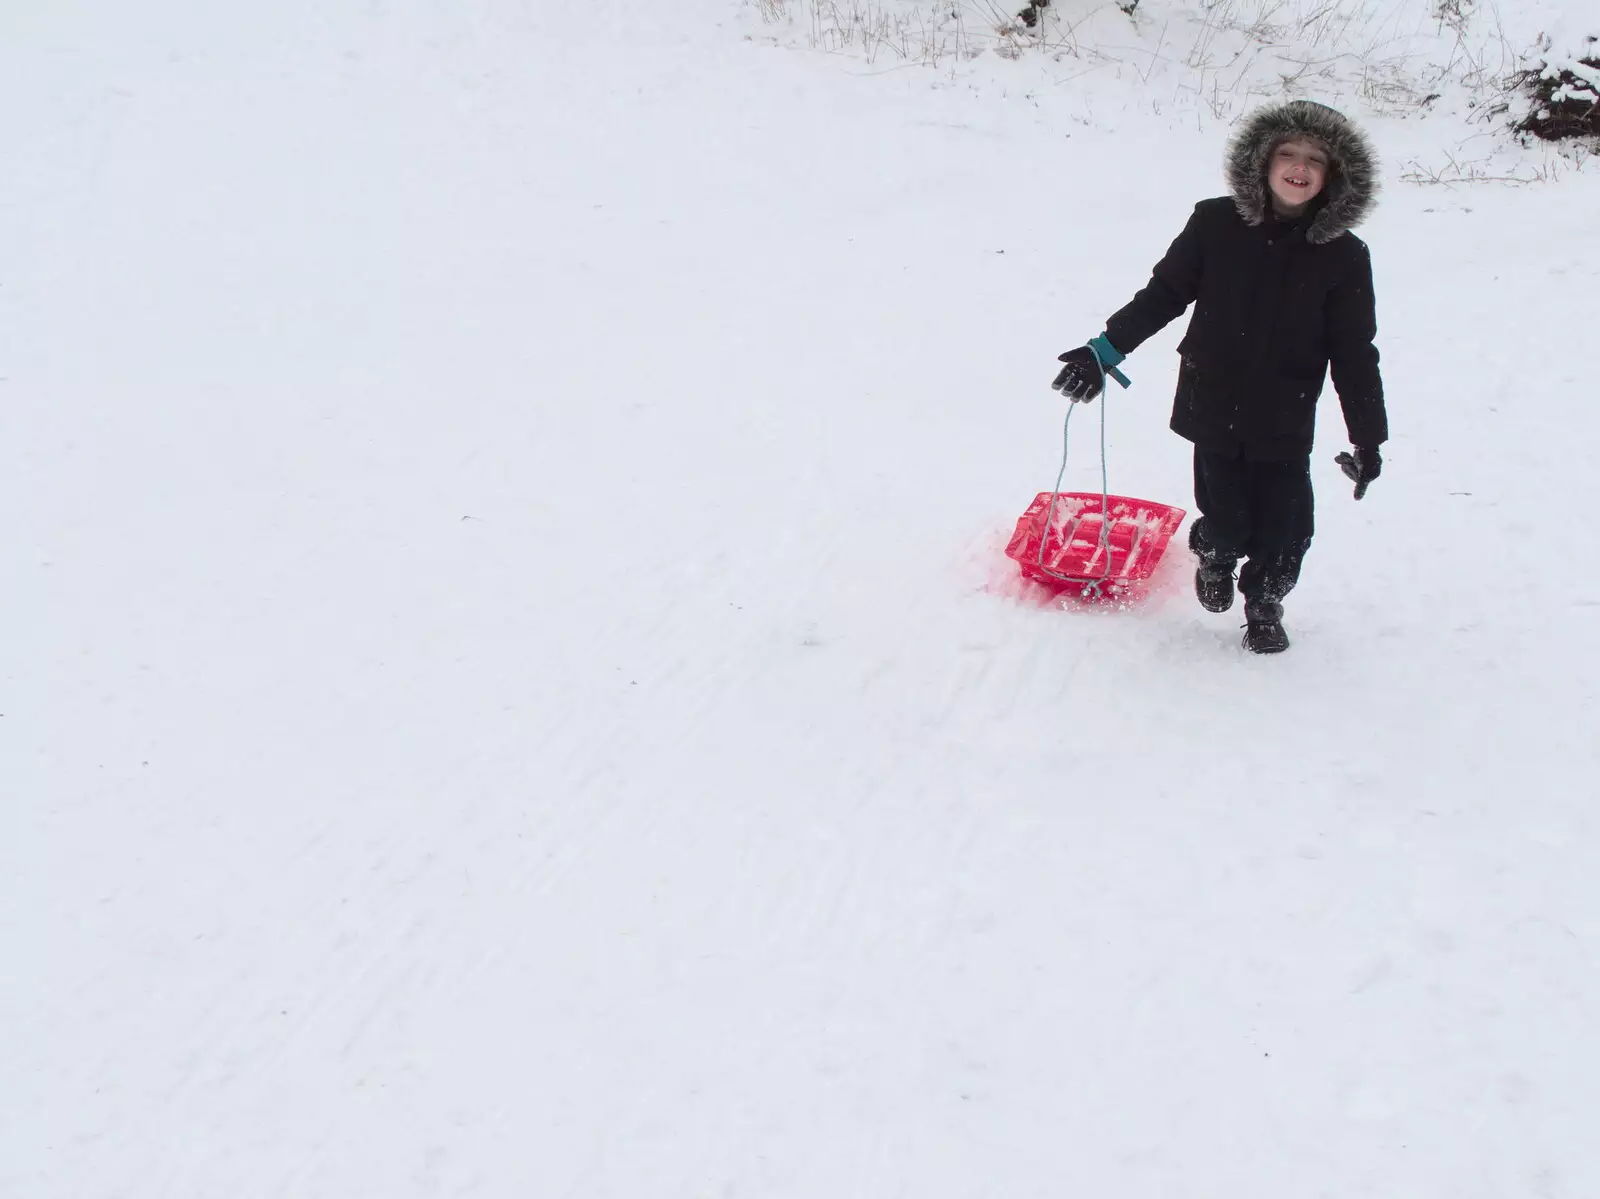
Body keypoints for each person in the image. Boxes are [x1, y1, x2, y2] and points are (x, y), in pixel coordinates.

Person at [1051, 100, 1388, 654]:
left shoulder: (1345, 255)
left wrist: (1368, 436)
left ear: (1334, 176)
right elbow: (1165, 294)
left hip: (1286, 406)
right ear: (1263, 159)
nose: (1298, 167)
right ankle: (1215, 553)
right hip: (1214, 399)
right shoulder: (1215, 222)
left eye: (1314, 159)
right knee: (1228, 518)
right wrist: (1104, 351)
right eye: (1287, 153)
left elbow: (1355, 351)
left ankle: (1264, 603)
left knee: (1287, 530)